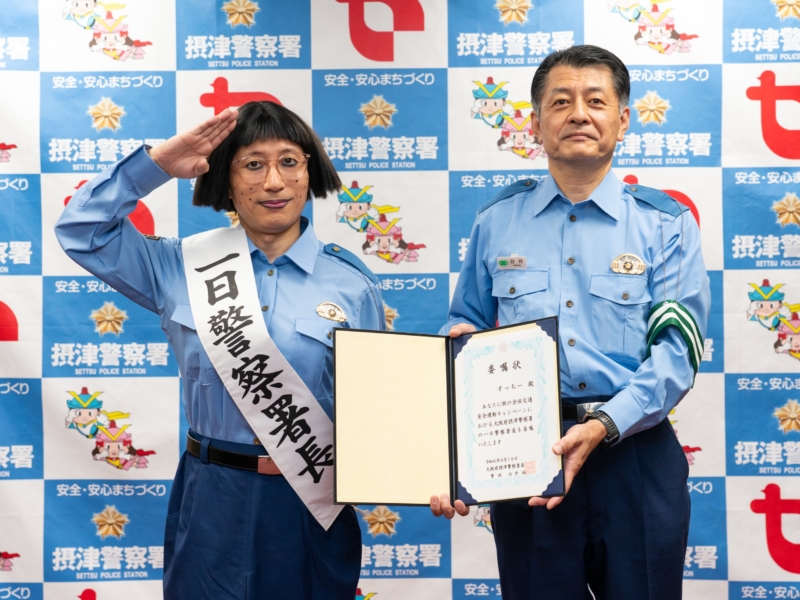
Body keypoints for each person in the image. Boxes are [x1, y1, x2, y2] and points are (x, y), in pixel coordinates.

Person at [56, 101, 385, 599]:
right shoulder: (182, 265)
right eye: (253, 164)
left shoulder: (352, 284)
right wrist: (158, 165)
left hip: (311, 497)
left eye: (289, 161)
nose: (274, 181)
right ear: (226, 181)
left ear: (308, 172)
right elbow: (82, 231)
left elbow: (384, 408)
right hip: (211, 497)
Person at [430, 45, 710, 600]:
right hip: (525, 454)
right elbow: (463, 325)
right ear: (536, 123)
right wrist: (453, 369)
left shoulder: (667, 224)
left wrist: (605, 423)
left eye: (595, 100)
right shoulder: (495, 221)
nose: (578, 113)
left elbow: (677, 353)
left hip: (634, 452)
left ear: (622, 120)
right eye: (561, 101)